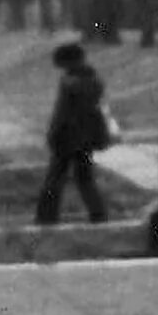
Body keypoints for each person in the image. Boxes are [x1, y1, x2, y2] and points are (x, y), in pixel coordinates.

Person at [34, 43, 110, 225]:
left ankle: (46, 218)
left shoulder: (68, 83)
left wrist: (52, 134)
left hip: (65, 138)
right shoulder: (94, 80)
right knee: (85, 180)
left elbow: (61, 113)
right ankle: (98, 215)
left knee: (53, 180)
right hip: (86, 139)